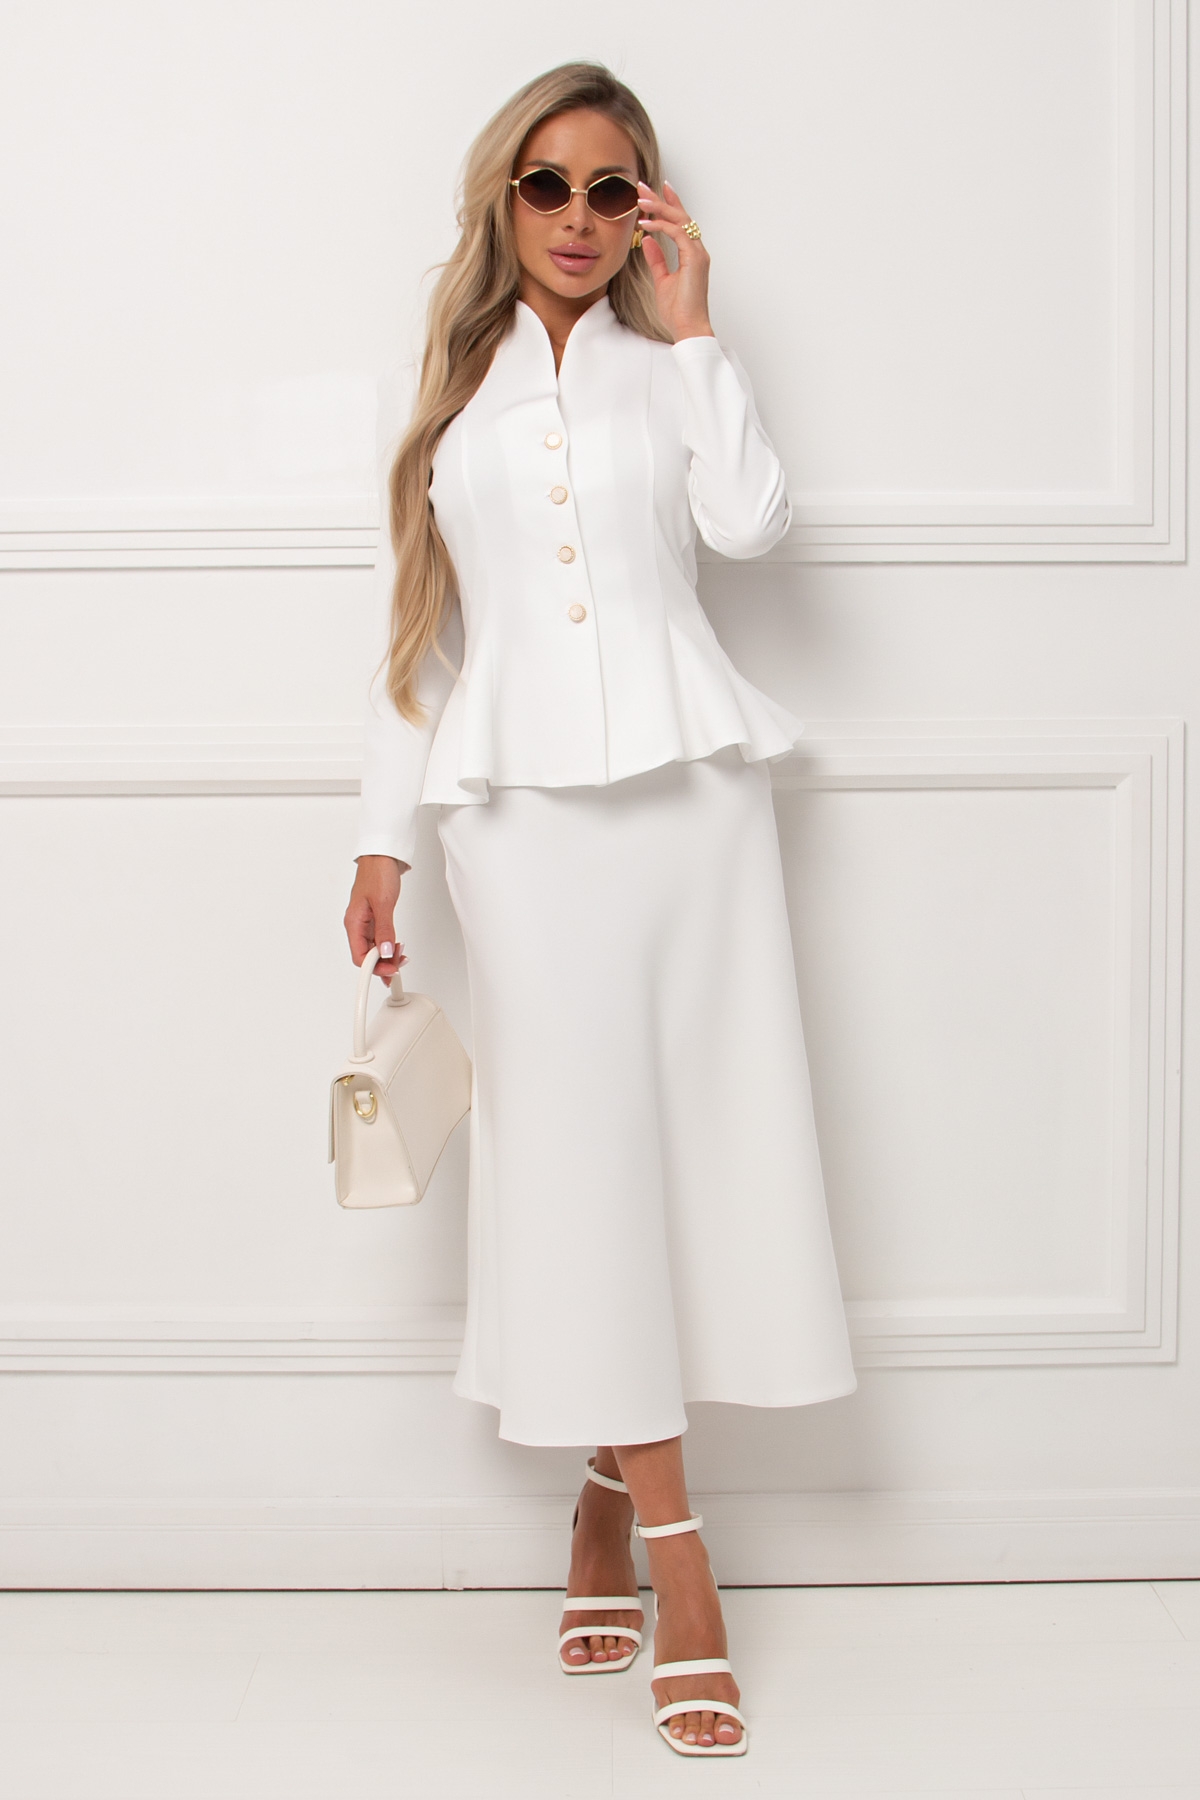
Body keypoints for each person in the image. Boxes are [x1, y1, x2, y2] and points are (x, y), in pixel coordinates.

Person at [344, 60, 857, 1760]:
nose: (579, 217)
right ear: (505, 201)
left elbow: (753, 527)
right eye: (550, 186)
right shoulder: (449, 400)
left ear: (648, 210)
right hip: (523, 830)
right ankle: (679, 1546)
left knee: (696, 1146)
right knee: (573, 1163)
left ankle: (603, 1496)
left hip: (693, 809)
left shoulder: (670, 368)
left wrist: (699, 330)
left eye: (612, 187)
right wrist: (381, 843)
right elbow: (421, 644)